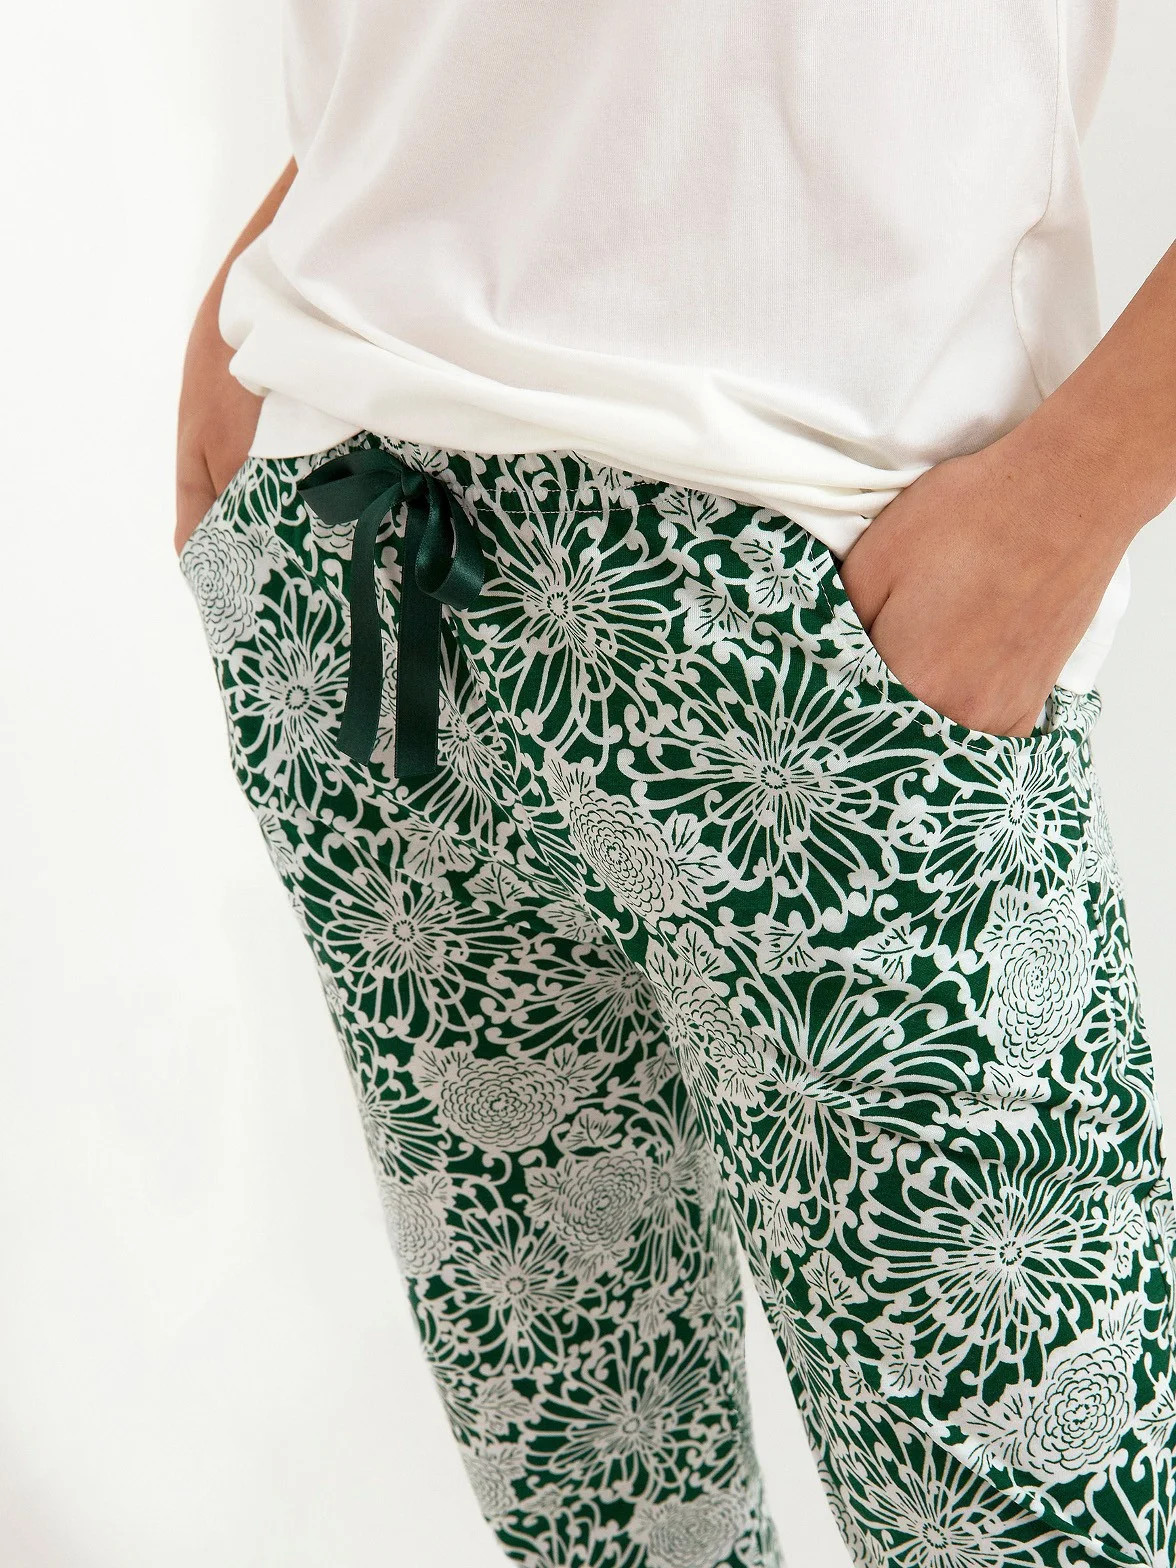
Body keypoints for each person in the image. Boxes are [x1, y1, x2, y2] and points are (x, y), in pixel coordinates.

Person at [175, 6, 1176, 1565]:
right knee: (600, 1521)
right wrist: (262, 308)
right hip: (367, 564)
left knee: (1038, 1519)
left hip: (823, 637)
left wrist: (1073, 499)